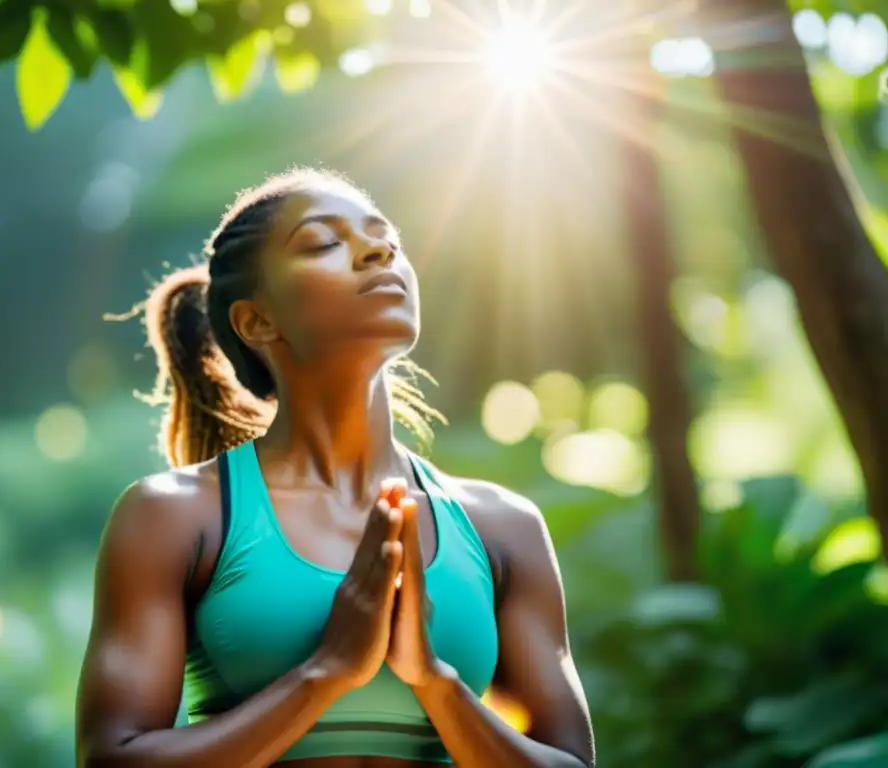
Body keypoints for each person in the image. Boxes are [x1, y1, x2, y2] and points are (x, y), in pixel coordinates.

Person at [75, 168, 595, 768]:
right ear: (256, 322)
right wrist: (325, 672)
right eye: (324, 242)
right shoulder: (175, 515)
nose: (378, 252)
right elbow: (113, 760)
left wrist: (434, 682)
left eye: (388, 243)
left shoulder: (504, 526)